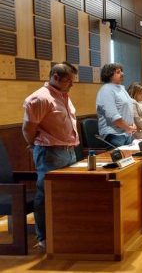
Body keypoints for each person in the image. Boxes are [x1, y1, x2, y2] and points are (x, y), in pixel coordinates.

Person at [22, 62, 79, 249]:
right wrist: (32, 144)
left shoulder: (64, 96)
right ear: (55, 77)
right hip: (51, 153)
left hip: (69, 151)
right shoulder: (39, 98)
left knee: (67, 194)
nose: (72, 84)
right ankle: (44, 238)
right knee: (46, 195)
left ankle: (63, 231)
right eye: (69, 81)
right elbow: (28, 127)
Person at [96, 63, 136, 146]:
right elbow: (113, 116)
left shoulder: (121, 88)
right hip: (114, 135)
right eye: (118, 72)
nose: (122, 74)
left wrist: (132, 124)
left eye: (121, 71)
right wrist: (128, 128)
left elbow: (128, 109)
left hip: (126, 132)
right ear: (109, 75)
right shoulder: (106, 90)